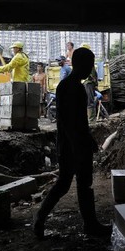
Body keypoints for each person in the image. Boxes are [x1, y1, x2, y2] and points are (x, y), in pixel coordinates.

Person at [32, 47, 110, 239]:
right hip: (72, 144)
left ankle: (87, 223)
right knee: (72, 184)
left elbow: (79, 121)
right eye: (89, 64)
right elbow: (68, 121)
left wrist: (89, 139)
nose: (91, 68)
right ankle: (42, 218)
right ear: (79, 64)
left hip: (74, 142)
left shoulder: (72, 85)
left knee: (74, 183)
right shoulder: (70, 87)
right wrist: (78, 145)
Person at [79, 43, 99, 123]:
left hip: (88, 83)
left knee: (89, 101)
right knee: (89, 101)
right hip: (88, 82)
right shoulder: (87, 59)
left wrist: (94, 82)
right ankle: (91, 120)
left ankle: (90, 120)